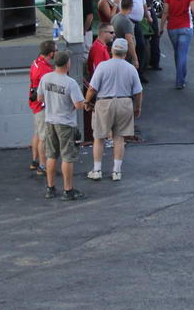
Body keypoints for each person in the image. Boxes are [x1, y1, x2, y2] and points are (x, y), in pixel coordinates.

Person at [85, 38, 143, 183]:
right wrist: (137, 107)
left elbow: (92, 88)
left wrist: (86, 101)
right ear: (126, 52)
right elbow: (138, 91)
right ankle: (116, 171)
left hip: (104, 102)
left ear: (112, 50)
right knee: (119, 137)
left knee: (99, 137)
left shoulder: (103, 66)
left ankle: (97, 170)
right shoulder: (131, 68)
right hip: (124, 102)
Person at [39, 51, 86, 201]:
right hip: (65, 123)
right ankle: (68, 190)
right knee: (67, 157)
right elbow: (79, 105)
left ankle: (50, 188)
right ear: (67, 64)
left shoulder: (45, 78)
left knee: (51, 155)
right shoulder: (70, 82)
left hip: (49, 121)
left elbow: (39, 97)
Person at [162, 0, 194, 89]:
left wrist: (161, 27)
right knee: (182, 54)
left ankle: (181, 76)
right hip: (186, 27)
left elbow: (165, 12)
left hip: (172, 28)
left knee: (177, 53)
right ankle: (180, 80)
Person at [113, 0, 148, 82]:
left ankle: (138, 73)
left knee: (141, 46)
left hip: (137, 22)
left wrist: (147, 14)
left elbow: (143, 1)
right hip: (128, 22)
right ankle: (133, 73)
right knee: (132, 46)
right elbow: (114, 2)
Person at [28, 40, 57, 176]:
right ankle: (42, 165)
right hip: (41, 105)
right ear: (51, 53)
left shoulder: (36, 62)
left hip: (35, 104)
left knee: (37, 134)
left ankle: (35, 161)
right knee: (43, 137)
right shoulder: (45, 69)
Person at [112, 0, 140, 70]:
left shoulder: (115, 17)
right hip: (125, 54)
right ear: (131, 8)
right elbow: (130, 41)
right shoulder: (127, 22)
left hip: (117, 51)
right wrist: (135, 58)